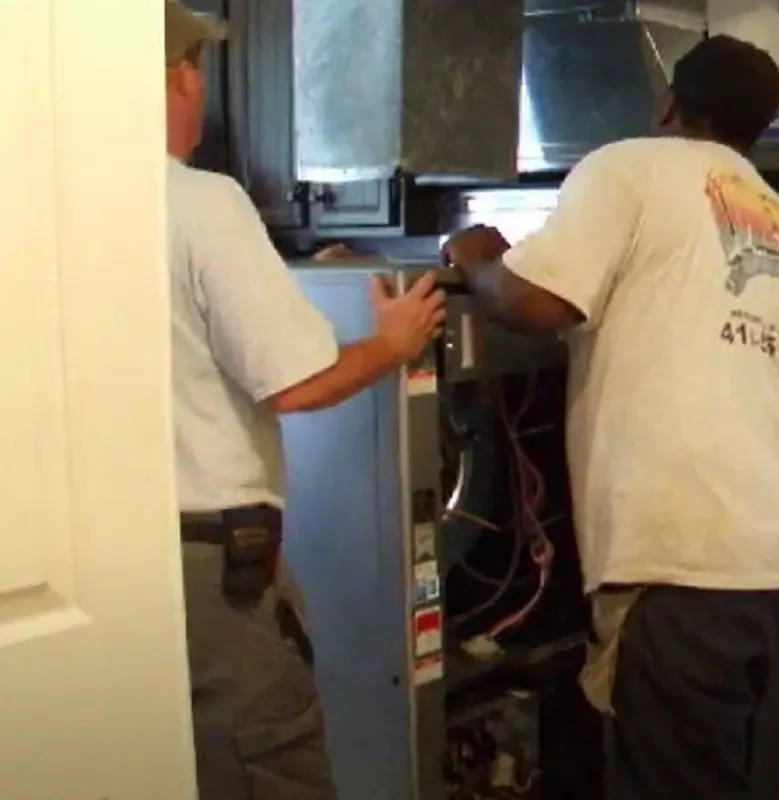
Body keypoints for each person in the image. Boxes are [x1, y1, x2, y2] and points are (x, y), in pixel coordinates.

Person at [441, 35, 779, 800]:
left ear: (667, 105)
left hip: (681, 553)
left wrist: (479, 255)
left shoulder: (631, 167)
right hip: (769, 552)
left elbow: (533, 300)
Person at [164, 2, 446, 797]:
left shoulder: (52, 210)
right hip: (213, 570)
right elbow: (300, 381)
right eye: (195, 75)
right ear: (180, 77)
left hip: (121, 566)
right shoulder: (199, 201)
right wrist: (392, 343)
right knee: (266, 769)